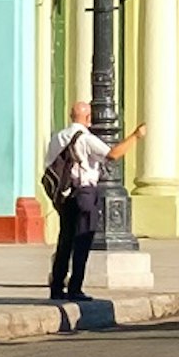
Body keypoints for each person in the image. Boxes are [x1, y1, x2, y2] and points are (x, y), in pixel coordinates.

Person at [41, 99, 135, 306]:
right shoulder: (85, 138)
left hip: (65, 195)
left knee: (65, 240)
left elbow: (49, 165)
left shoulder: (57, 138)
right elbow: (113, 155)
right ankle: (75, 287)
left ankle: (57, 286)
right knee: (82, 240)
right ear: (88, 118)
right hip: (84, 192)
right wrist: (135, 136)